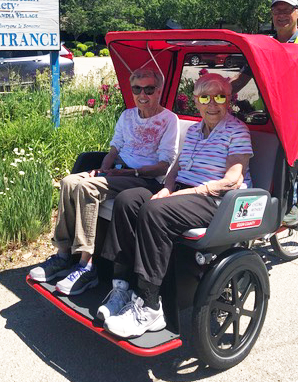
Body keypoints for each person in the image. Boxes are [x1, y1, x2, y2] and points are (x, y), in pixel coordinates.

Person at [97, 73, 253, 338]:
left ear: (229, 100)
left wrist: (184, 193)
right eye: (204, 97)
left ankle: (150, 305)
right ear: (196, 102)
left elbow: (232, 179)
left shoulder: (237, 130)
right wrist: (168, 189)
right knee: (127, 201)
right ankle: (122, 286)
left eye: (219, 97)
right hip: (183, 192)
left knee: (154, 211)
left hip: (216, 199)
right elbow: (176, 167)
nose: (211, 103)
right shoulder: (193, 131)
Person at [29, 68, 179, 296]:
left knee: (87, 187)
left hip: (144, 179)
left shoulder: (169, 119)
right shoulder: (127, 115)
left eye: (149, 89)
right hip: (118, 172)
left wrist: (129, 173)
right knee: (70, 182)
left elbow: (164, 165)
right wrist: (103, 170)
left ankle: (86, 265)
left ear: (159, 91)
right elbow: (114, 149)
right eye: (137, 89)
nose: (143, 95)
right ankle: (63, 254)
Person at [232, 0, 298, 225]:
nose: (281, 15)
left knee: (286, 157)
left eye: (286, 10)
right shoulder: (264, 44)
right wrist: (218, 93)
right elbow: (242, 79)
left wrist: (295, 109)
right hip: (268, 114)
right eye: (276, 10)